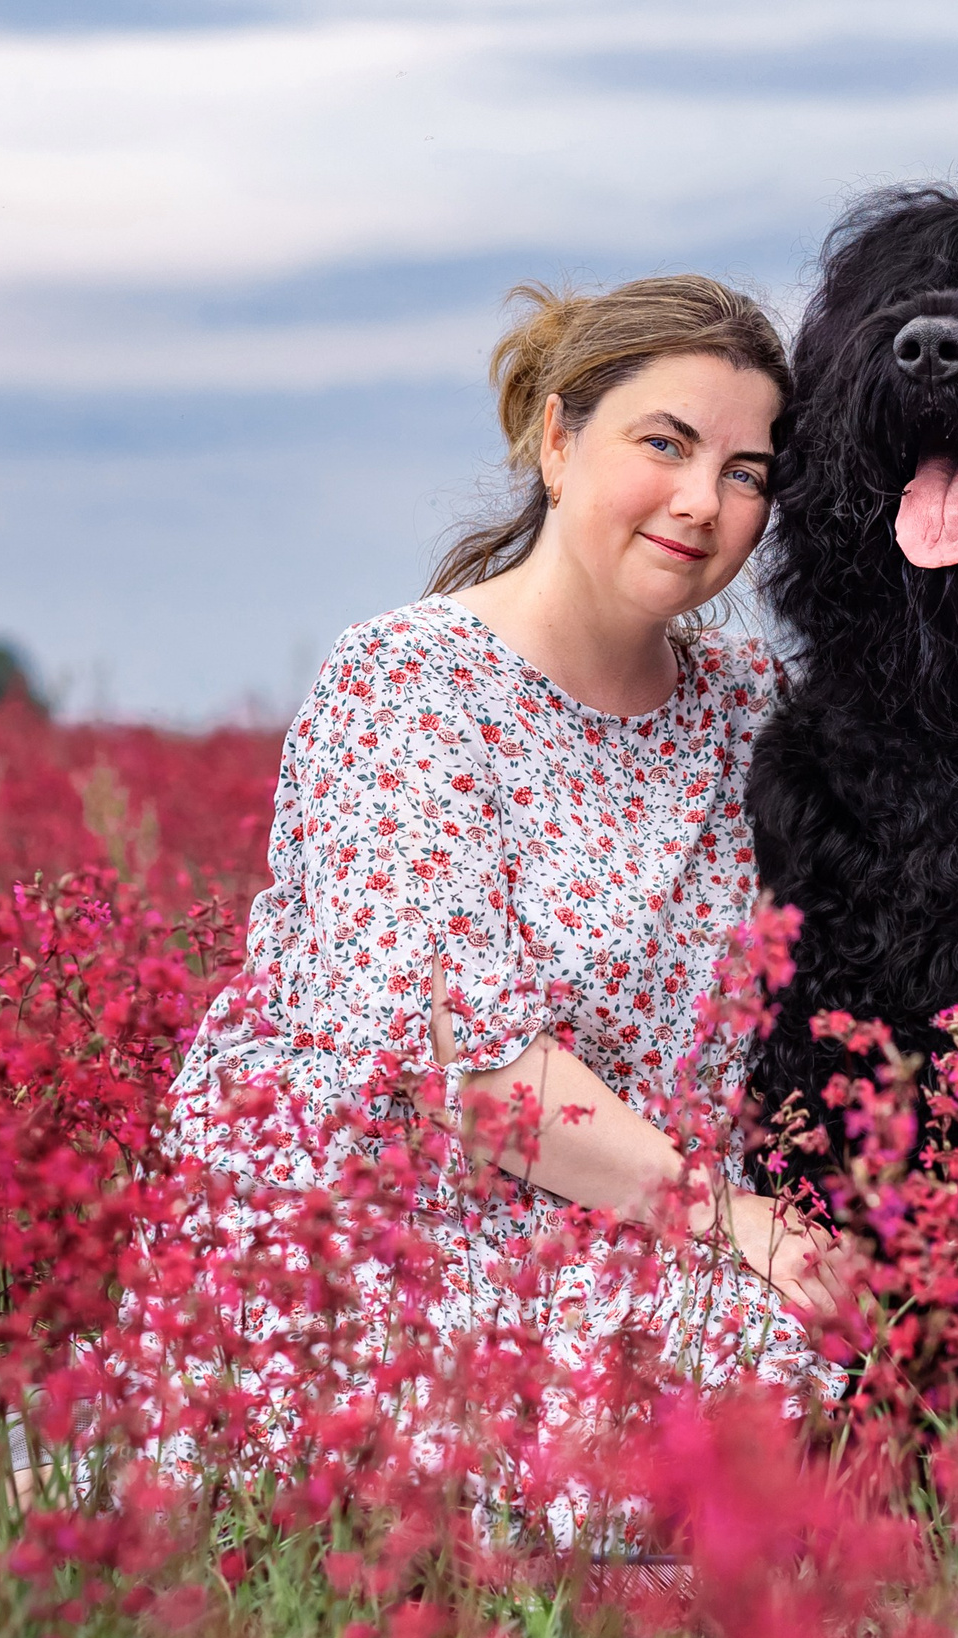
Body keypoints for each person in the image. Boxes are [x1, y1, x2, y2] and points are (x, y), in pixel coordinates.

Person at [168, 275, 848, 1404]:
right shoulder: (405, 686)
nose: (699, 502)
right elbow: (467, 1077)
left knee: (862, 1371)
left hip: (639, 1220)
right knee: (751, 1409)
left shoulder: (745, 698)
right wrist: (726, 1216)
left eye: (745, 474)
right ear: (558, 441)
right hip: (392, 1225)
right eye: (665, 444)